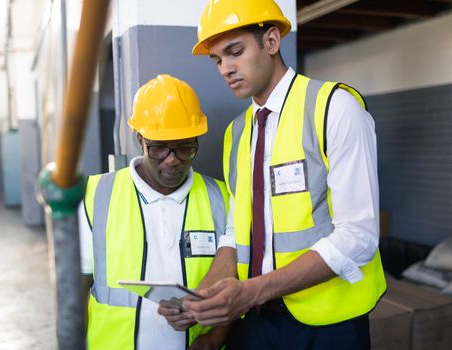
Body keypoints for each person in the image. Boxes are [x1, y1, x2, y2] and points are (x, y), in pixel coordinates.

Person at [182, 0, 387, 348]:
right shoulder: (237, 133)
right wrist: (205, 297)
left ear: (272, 41)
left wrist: (250, 291)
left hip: (330, 324)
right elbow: (237, 230)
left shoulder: (334, 108)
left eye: (235, 51)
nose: (225, 69)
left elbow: (359, 235)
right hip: (259, 318)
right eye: (217, 60)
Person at [78, 74, 232, 349]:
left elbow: (236, 282)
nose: (172, 160)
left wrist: (215, 338)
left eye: (185, 147)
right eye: (159, 148)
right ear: (140, 139)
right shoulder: (95, 195)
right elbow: (77, 287)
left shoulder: (222, 198)